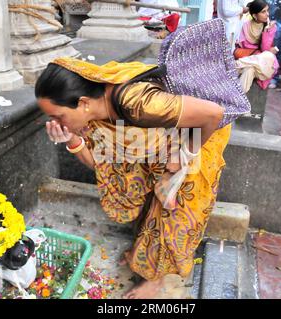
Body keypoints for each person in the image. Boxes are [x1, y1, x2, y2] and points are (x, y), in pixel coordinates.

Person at [34, 57, 232, 299]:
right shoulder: (96, 111)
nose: (55, 123)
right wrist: (71, 140)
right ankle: (145, 254)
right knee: (145, 193)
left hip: (197, 135)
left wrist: (184, 157)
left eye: (59, 116)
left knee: (173, 209)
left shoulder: (137, 102)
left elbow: (213, 114)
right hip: (160, 140)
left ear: (83, 103)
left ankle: (155, 279)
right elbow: (101, 164)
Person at [234, 0, 279, 93]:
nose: (267, 14)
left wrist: (267, 32)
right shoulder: (246, 26)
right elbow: (241, 47)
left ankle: (235, 65)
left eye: (267, 11)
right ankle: (238, 98)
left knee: (268, 55)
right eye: (263, 12)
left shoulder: (271, 27)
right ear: (254, 15)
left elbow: (265, 50)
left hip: (264, 65)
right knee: (249, 70)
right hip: (251, 61)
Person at [266, 0, 281, 88]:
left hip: (280, 26)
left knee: (276, 52)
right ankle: (264, 75)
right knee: (264, 50)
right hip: (266, 23)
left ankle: (273, 78)